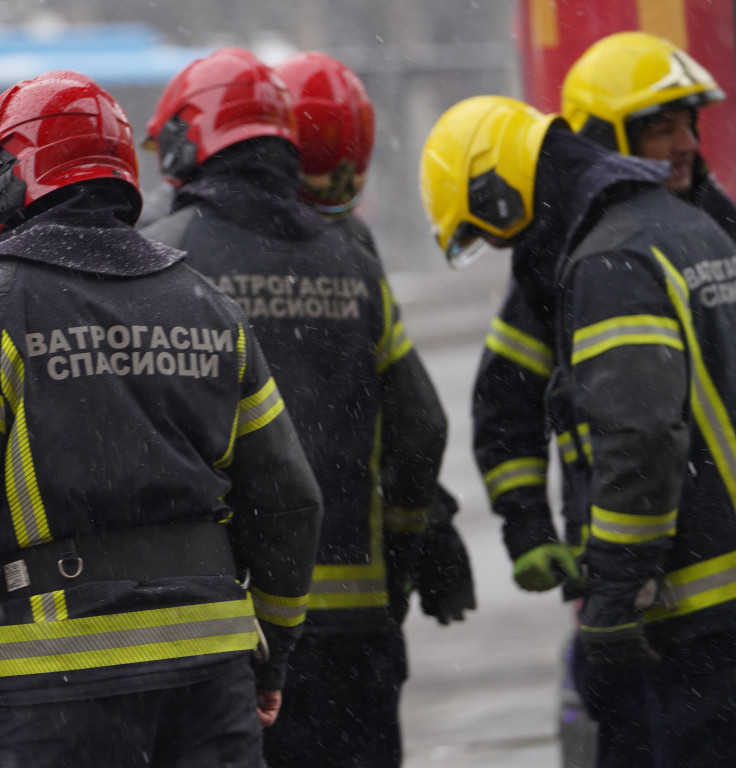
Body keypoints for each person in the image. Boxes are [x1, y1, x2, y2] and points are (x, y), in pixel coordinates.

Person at [0, 69, 322, 767]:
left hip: (52, 684)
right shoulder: (208, 307)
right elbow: (289, 499)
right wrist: (274, 651)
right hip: (211, 681)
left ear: (7, 179)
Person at [139, 47, 460, 768]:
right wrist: (405, 551)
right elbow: (421, 428)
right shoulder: (353, 261)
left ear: (190, 142)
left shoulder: (165, 256)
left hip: (229, 629)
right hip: (356, 626)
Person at [421, 94, 736, 768]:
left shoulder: (609, 261)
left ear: (500, 194)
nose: (504, 248)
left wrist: (616, 593)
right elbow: (510, 402)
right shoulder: (689, 226)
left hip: (695, 618)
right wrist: (527, 521)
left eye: (489, 230)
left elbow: (640, 438)